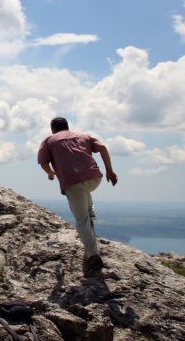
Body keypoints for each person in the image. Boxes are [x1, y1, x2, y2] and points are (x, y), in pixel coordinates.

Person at [37, 117, 118, 273]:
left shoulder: (49, 141)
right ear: (68, 127)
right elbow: (102, 147)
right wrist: (109, 170)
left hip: (72, 181)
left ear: (53, 129)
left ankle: (93, 255)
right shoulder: (83, 136)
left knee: (81, 219)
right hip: (95, 177)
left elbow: (43, 161)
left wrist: (50, 173)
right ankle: (90, 213)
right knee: (84, 193)